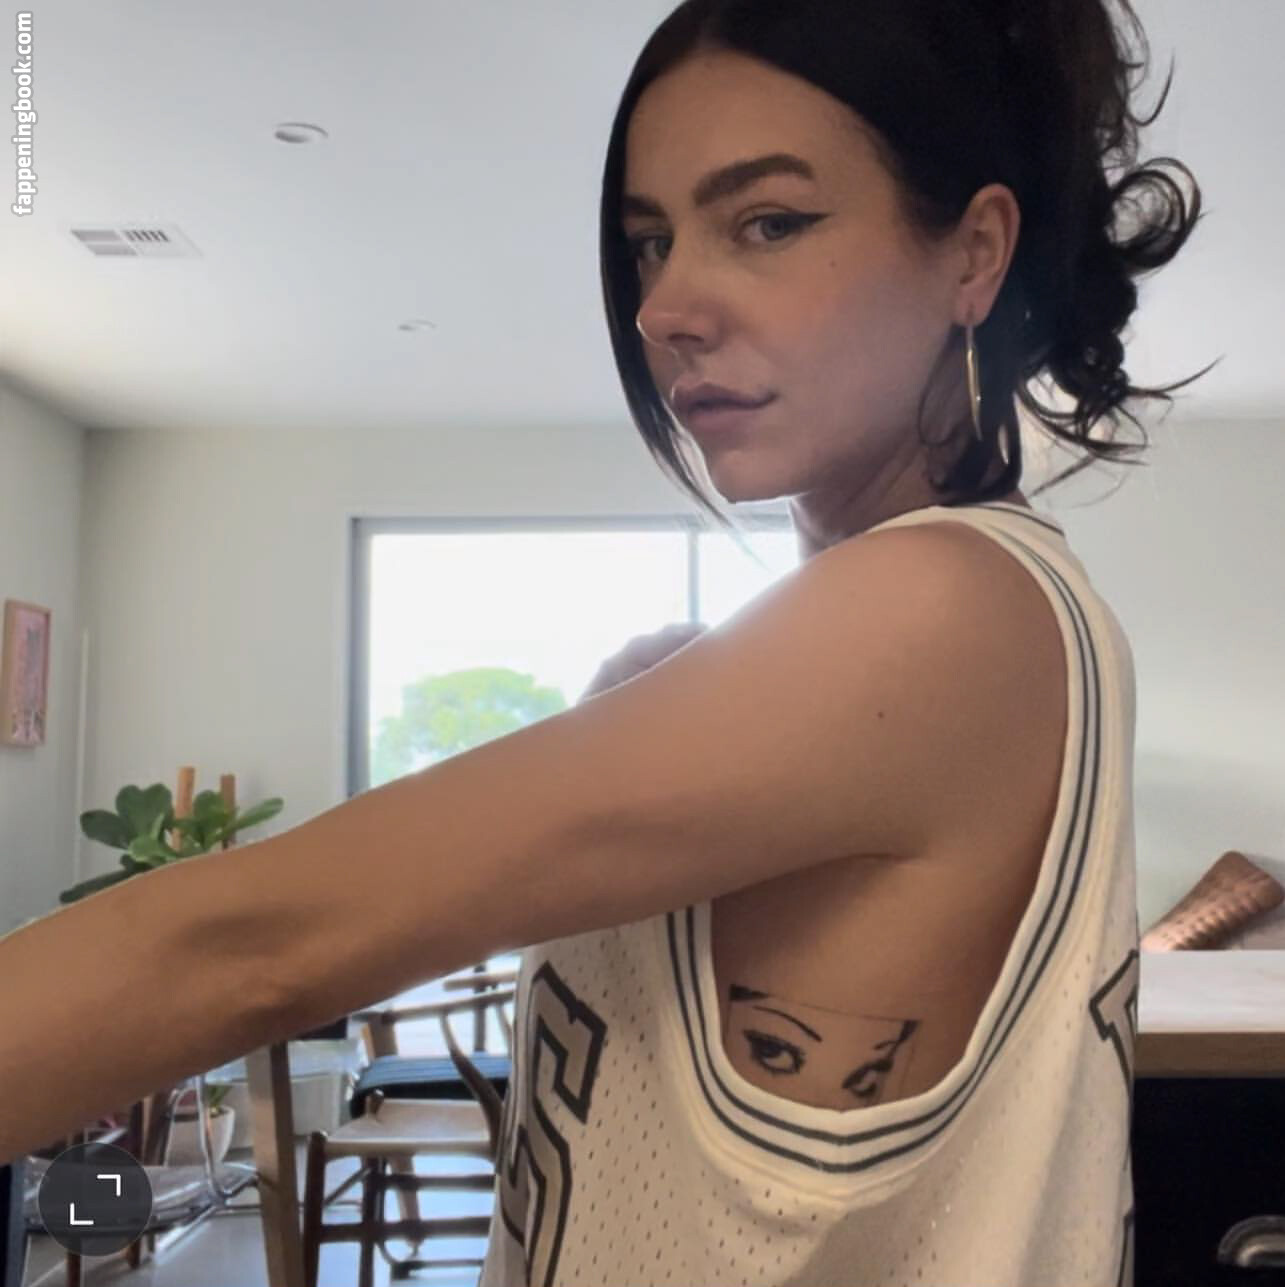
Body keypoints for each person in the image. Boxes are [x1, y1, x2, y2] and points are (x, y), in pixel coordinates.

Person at [0, 1, 1212, 1283]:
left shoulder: (940, 611)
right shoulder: (931, 628)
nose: (663, 307)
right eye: (649, 242)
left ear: (972, 254)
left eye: (768, 222)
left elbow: (243, 948)